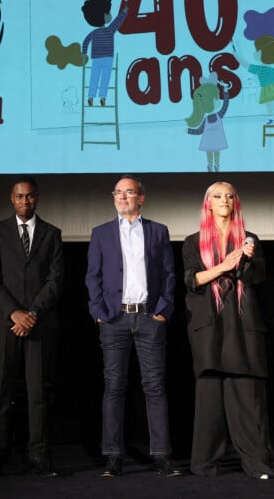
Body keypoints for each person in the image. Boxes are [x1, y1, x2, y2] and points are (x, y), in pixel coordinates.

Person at [85, 174, 181, 478]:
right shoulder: (101, 233)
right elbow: (93, 276)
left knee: (154, 387)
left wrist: (164, 310)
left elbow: (168, 274)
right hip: (114, 319)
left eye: (130, 192)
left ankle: (162, 456)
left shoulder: (158, 231)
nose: (123, 197)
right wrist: (99, 311)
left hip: (149, 318)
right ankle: (113, 456)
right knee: (113, 387)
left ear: (141, 198)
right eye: (118, 192)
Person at [182, 181, 274, 480]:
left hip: (242, 329)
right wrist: (224, 266)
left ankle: (257, 464)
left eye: (230, 196)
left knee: (248, 399)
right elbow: (192, 280)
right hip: (209, 328)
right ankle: (204, 465)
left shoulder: (249, 240)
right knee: (209, 401)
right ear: (208, 203)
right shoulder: (193, 241)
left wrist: (245, 258)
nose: (225, 200)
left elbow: (257, 277)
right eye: (218, 196)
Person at [0, 176, 65, 478]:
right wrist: (14, 313)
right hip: (5, 323)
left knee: (38, 392)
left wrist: (33, 314)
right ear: (11, 199)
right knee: (1, 391)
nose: (24, 201)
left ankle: (39, 457)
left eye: (29, 196)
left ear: (37, 198)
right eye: (19, 197)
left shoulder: (52, 234)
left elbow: (56, 281)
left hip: (39, 324)